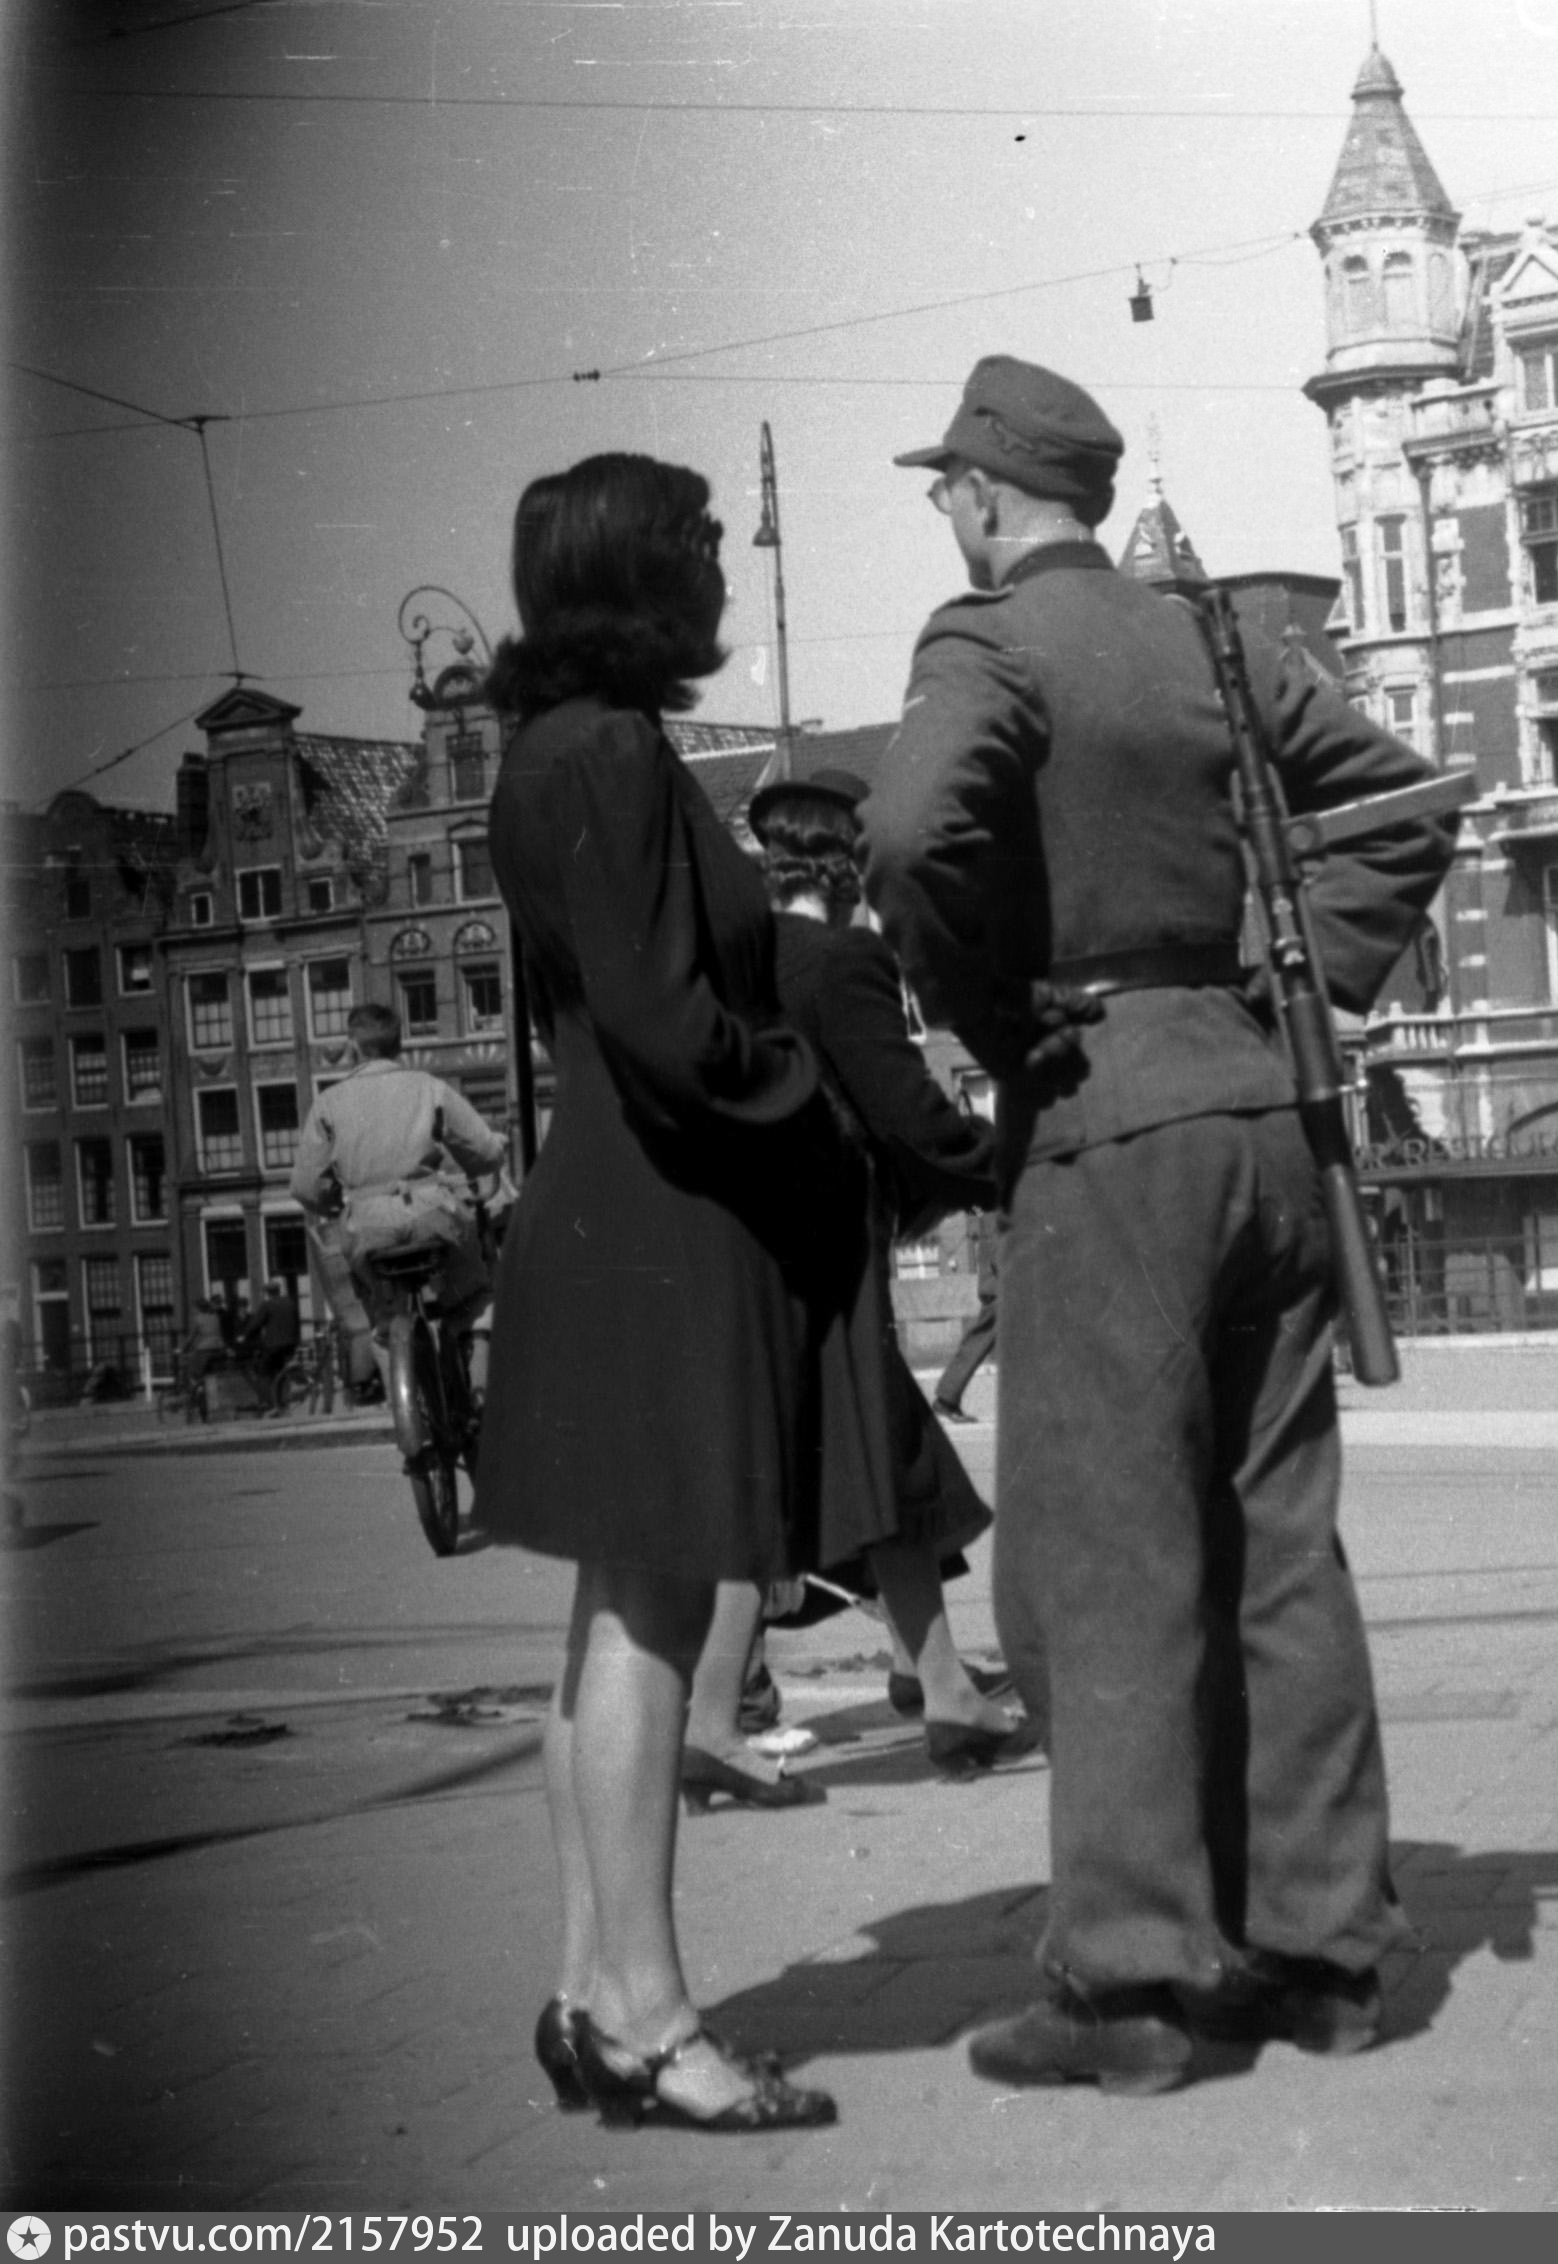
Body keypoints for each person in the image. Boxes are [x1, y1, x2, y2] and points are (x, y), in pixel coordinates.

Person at [864, 355, 1456, 2095]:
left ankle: (1128, 1982)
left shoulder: (986, 641)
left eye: (945, 490)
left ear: (983, 497)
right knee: (1282, 1544)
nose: (946, 513)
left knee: (1106, 1557)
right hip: (1261, 1111)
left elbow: (907, 837)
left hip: (1105, 1126)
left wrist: (995, 1016)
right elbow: (1408, 803)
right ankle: (1324, 1953)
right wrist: (1292, 977)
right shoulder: (1214, 635)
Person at [476, 451, 839, 2134]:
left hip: (597, 1203)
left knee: (609, 1617)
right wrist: (800, 1100)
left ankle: (585, 1989)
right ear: (631, 571)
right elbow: (658, 1012)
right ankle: (649, 2015)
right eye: (692, 539)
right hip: (665, 1210)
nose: (714, 561)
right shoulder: (619, 749)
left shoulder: (541, 748)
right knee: (657, 1614)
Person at [745, 766, 1023, 1776]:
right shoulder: (844, 958)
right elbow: (908, 1111)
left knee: (863, 1444)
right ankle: (715, 1715)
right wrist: (1007, 1161)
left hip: (752, 1242)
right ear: (850, 866)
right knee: (869, 1443)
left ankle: (933, 1679)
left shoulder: (736, 959)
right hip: (831, 1239)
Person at [289, 1002, 509, 1409]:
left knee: (381, 1316)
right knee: (475, 1292)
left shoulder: (328, 1102)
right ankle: (478, 1388)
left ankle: (406, 1406)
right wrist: (495, 1148)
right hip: (432, 1216)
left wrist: (338, 1202)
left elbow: (305, 1187)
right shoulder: (428, 1087)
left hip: (367, 1228)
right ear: (399, 1045)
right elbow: (484, 1152)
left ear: (353, 1047)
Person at [930, 1214, 1000, 1423]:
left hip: (1000, 1285)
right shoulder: (998, 1208)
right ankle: (946, 1397)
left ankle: (946, 1397)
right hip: (1002, 1287)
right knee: (979, 1341)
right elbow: (999, 1251)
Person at [247, 1279, 304, 1414]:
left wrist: (246, 1335)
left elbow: (256, 1324)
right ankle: (284, 1402)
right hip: (290, 1344)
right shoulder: (290, 1303)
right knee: (282, 1371)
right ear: (279, 1290)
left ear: (268, 1293)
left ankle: (271, 1404)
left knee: (263, 1372)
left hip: (273, 1345)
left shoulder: (267, 1305)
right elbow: (297, 1323)